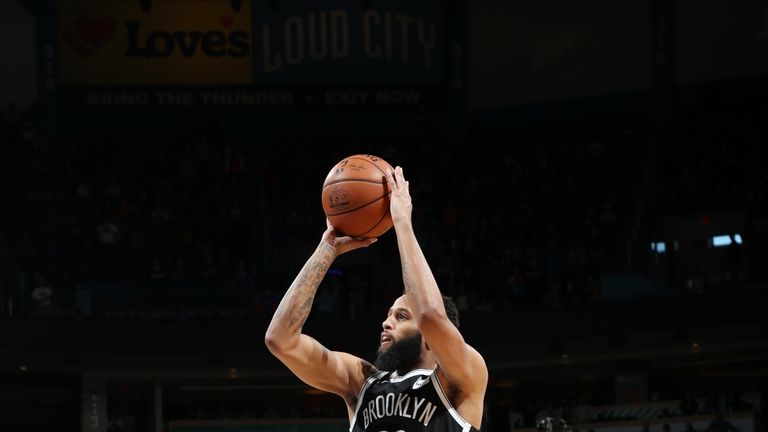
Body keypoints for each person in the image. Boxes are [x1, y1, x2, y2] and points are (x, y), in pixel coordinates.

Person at [265, 166, 488, 431]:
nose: (386, 322)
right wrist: (327, 250)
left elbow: (430, 315)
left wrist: (402, 221)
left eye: (401, 316)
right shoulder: (361, 382)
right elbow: (280, 339)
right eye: (388, 314)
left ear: (430, 340)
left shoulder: (461, 377)